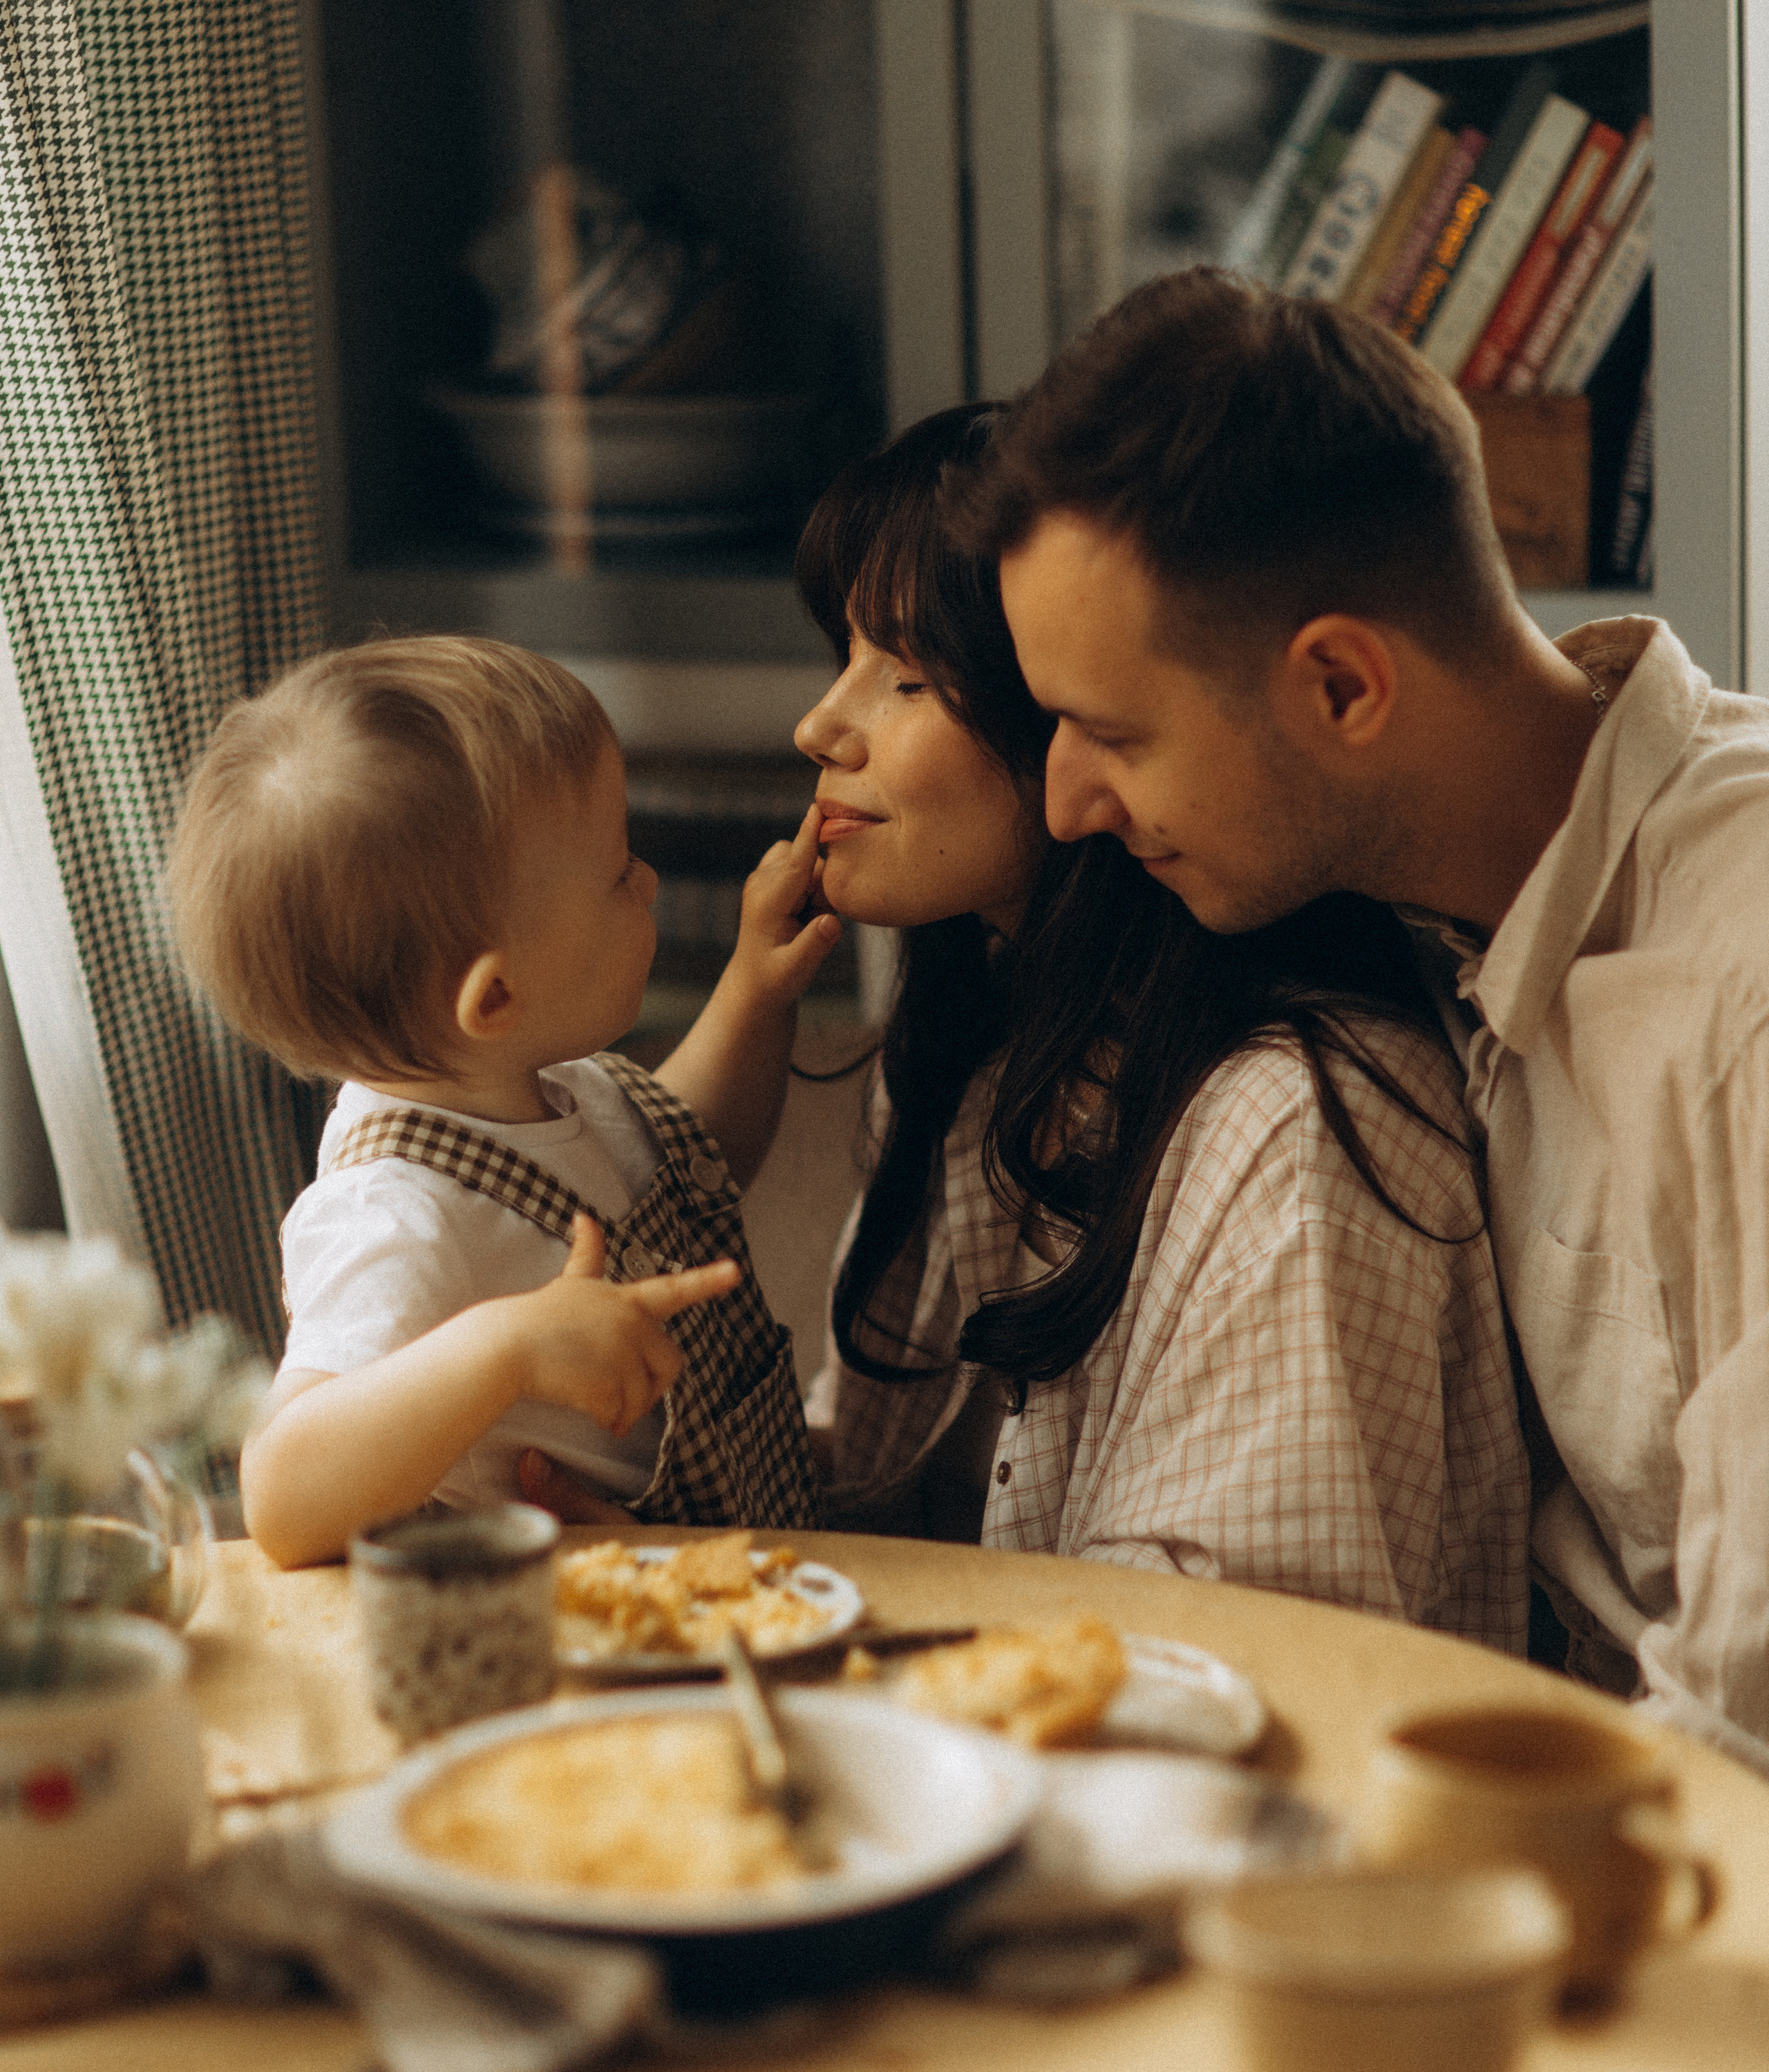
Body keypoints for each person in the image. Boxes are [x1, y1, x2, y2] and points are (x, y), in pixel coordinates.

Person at [963, 261, 1769, 1769]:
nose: (1066, 800)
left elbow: (1743, 1730)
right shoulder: (1444, 913)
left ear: (1340, 685)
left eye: (1111, 731)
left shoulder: (1741, 988)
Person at [795, 407, 1529, 1648]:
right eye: (845, 652)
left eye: (909, 674)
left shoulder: (1294, 1124)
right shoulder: (984, 1046)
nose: (821, 724)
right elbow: (886, 1506)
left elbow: (1218, 1673)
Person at [167, 636, 839, 1567]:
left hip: (728, 1571)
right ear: (493, 998)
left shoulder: (552, 1087)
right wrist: (507, 1348)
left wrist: (755, 993)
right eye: (616, 873)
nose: (646, 881)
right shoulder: (396, 1213)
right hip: (572, 1636)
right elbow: (281, 1497)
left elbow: (689, 1156)